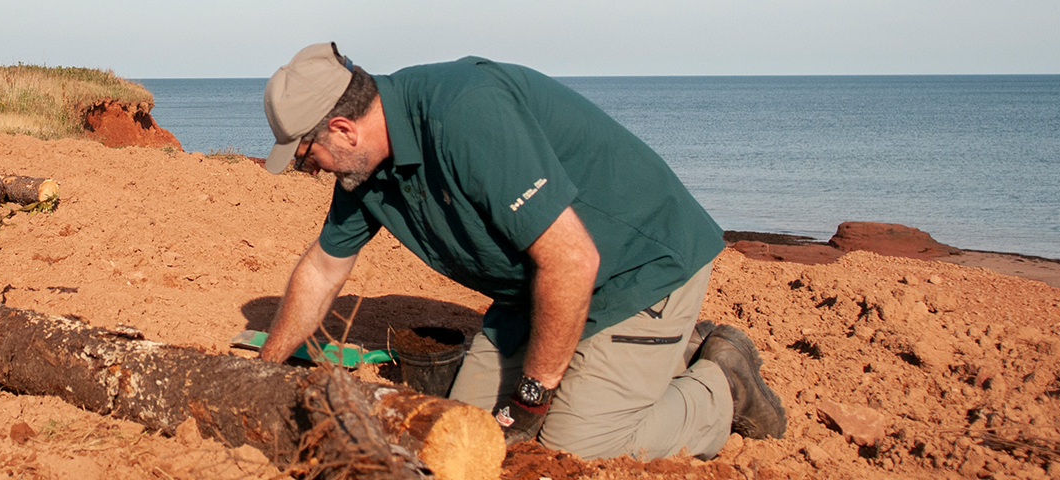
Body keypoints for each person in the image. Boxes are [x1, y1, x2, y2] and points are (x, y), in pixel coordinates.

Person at [254, 43, 787, 460]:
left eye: (307, 156)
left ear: (343, 129)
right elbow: (323, 269)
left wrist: (532, 397)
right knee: (465, 432)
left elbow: (575, 260)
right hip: (538, 289)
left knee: (568, 445)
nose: (312, 170)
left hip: (636, 269)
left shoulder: (464, 114)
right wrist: (265, 372)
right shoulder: (364, 169)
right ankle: (658, 351)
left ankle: (721, 387)